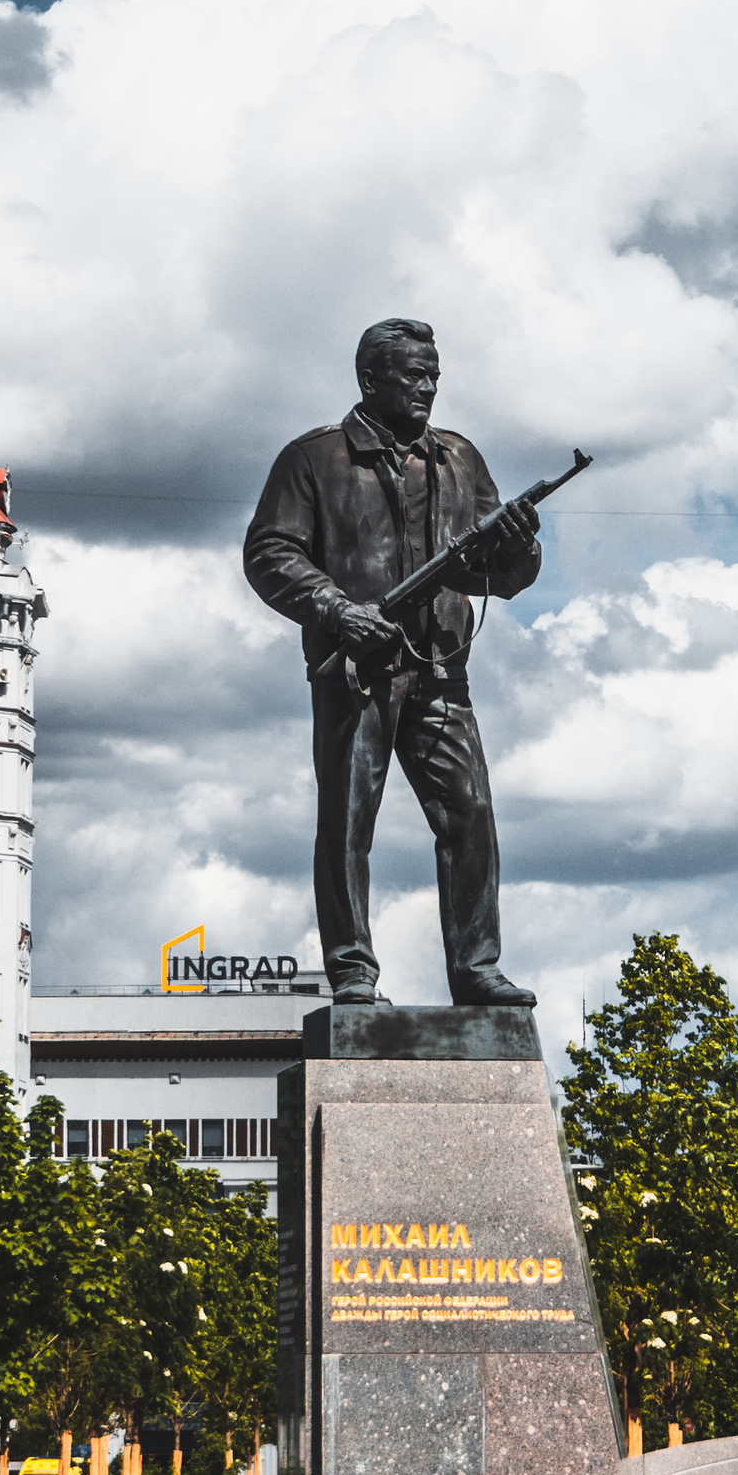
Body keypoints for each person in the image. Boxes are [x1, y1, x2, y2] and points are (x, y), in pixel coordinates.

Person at [243, 320, 541, 1007]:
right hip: (358, 670)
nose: (428, 387)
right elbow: (270, 552)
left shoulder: (461, 459)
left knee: (471, 815)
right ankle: (352, 968)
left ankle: (476, 967)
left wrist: (521, 550)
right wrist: (335, 608)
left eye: (434, 374)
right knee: (349, 822)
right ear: (371, 379)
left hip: (442, 668)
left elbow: (502, 575)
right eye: (414, 375)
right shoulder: (314, 459)